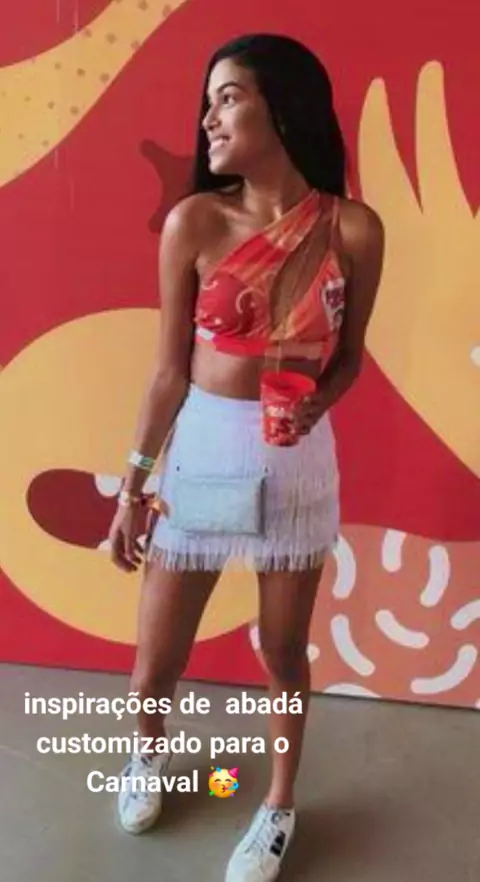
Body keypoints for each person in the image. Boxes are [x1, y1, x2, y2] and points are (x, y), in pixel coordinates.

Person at [108, 32, 384, 882]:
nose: (210, 118)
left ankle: (278, 806)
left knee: (283, 651)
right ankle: (145, 755)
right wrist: (132, 490)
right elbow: (168, 371)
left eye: (229, 97)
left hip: (296, 465)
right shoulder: (195, 221)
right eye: (209, 102)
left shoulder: (351, 228)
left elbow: (349, 359)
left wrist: (317, 406)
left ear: (285, 105)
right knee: (156, 660)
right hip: (203, 454)